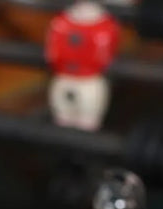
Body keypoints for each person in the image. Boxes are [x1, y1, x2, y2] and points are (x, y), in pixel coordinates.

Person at [45, 1, 122, 130]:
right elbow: (52, 50)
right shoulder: (60, 23)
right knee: (62, 119)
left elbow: (105, 55)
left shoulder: (105, 26)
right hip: (64, 77)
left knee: (88, 123)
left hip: (89, 81)